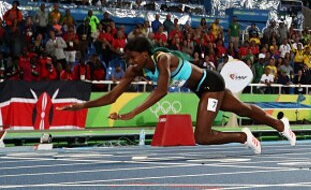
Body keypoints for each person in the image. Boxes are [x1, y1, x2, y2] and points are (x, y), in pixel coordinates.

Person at [59, 37, 296, 154]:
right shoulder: (135, 69)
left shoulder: (162, 59)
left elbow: (161, 91)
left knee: (201, 136)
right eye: (129, 58)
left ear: (144, 54)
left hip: (210, 83)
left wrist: (132, 112)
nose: (130, 62)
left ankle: (243, 137)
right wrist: (82, 105)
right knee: (242, 109)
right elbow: (112, 96)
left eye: (133, 57)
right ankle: (280, 125)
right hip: (201, 88)